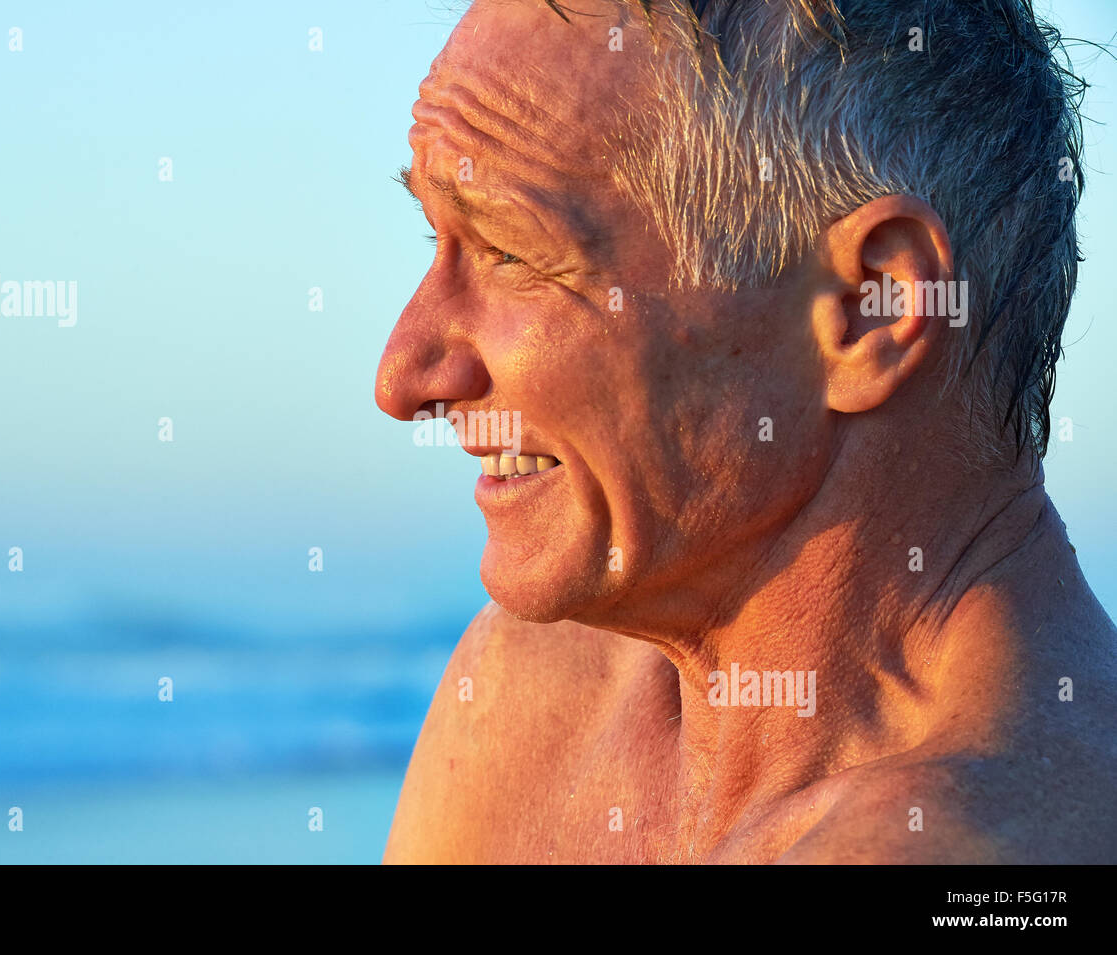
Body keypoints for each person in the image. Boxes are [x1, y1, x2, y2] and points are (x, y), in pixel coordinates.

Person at [374, 0, 1117, 863]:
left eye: (512, 253)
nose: (404, 376)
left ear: (871, 307)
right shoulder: (528, 692)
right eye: (438, 233)